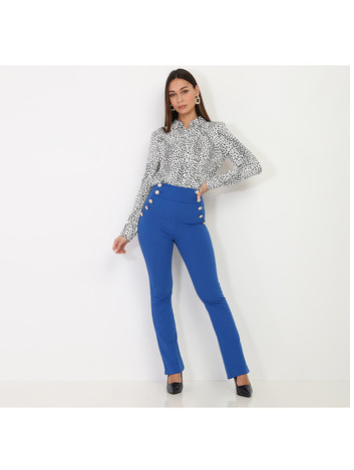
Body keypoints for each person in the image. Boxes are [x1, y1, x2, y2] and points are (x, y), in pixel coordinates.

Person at [112, 68, 262, 397]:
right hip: (154, 217)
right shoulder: (161, 136)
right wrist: (129, 229)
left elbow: (251, 165)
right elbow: (147, 181)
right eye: (172, 94)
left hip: (191, 219)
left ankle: (239, 372)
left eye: (183, 91)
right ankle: (173, 370)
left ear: (196, 92)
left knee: (212, 295)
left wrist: (210, 183)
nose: (178, 99)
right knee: (160, 294)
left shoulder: (216, 132)